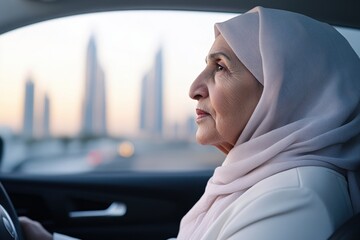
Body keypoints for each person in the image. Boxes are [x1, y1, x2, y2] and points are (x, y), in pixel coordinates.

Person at [19, 6, 360, 240]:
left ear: (283, 92)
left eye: (220, 67)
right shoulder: (262, 179)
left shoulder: (295, 197)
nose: (194, 89)